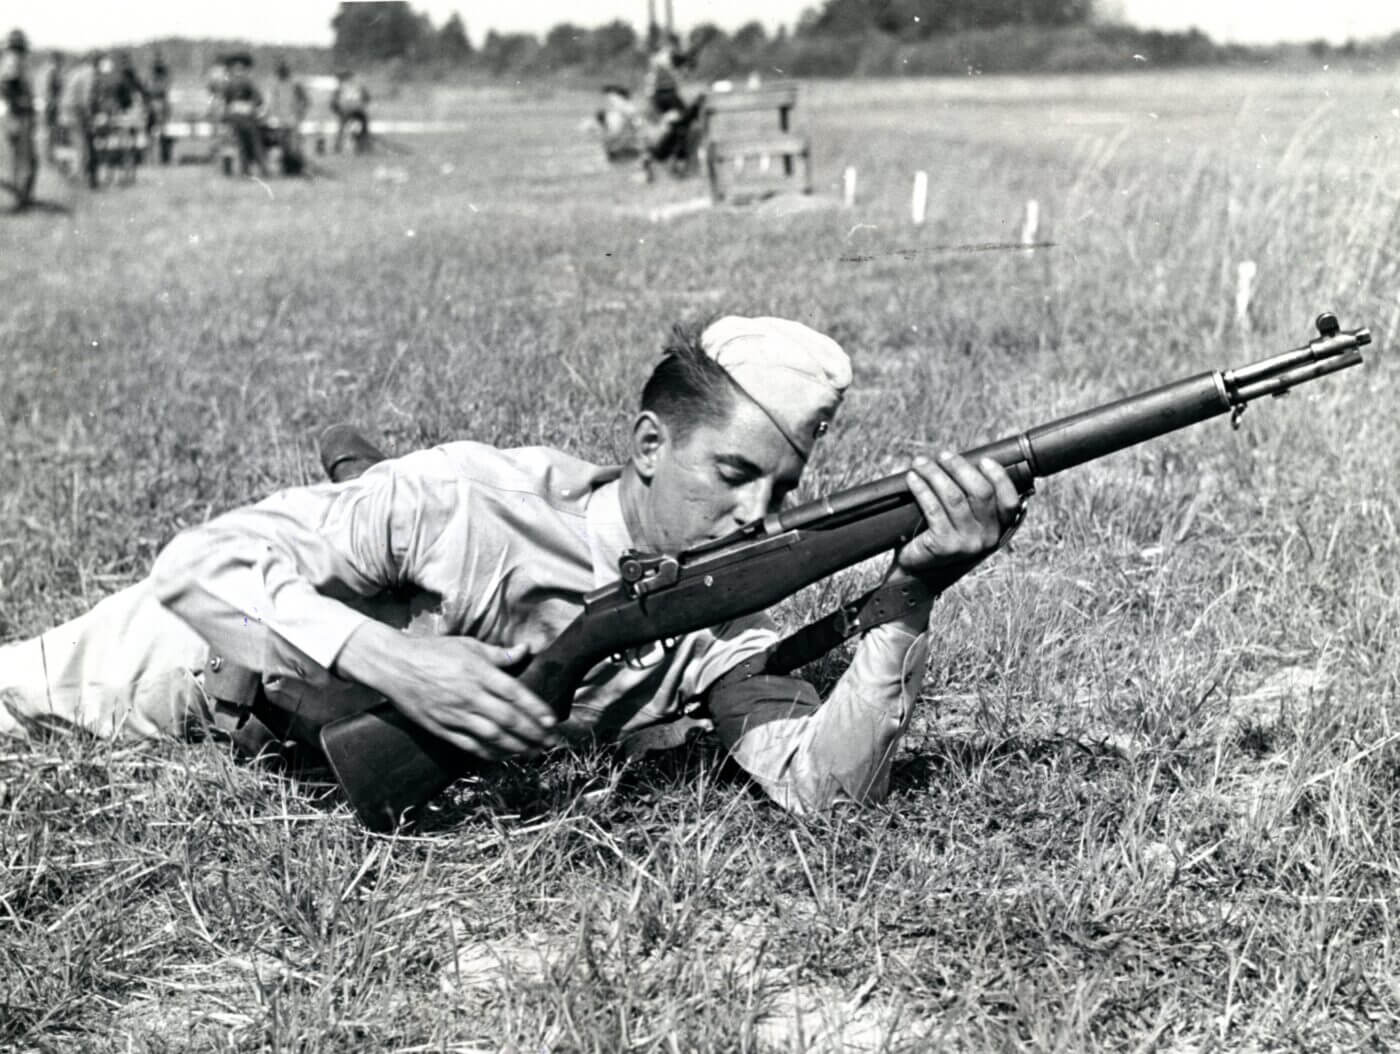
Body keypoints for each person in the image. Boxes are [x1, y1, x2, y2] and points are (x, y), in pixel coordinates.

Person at [0, 317, 1026, 816]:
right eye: (730, 472)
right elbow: (196, 566)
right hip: (171, 670)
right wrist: (392, 660)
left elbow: (825, 796)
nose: (755, 512)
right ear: (647, 443)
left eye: (782, 485)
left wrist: (910, 591)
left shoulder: (719, 616)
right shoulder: (470, 499)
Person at [1, 27, 38, 209]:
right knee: (23, 159)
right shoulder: (13, 60)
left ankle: (19, 197)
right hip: (17, 116)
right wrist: (21, 103)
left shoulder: (9, 59)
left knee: (18, 160)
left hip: (14, 115)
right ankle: (19, 198)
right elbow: (7, 85)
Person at [220, 52, 267, 178]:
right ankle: (246, 170)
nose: (238, 71)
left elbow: (258, 99)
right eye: (236, 68)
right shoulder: (230, 84)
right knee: (243, 145)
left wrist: (250, 107)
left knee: (253, 144)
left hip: (247, 118)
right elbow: (226, 101)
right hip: (238, 119)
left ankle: (261, 169)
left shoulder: (248, 83)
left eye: (240, 68)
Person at [59, 50, 99, 188]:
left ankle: (77, 175)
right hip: (75, 112)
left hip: (67, 111)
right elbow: (86, 98)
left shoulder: (77, 71)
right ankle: (79, 177)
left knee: (78, 145)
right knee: (82, 146)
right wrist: (89, 118)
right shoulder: (90, 73)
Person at [266, 59, 309, 174]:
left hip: (292, 120)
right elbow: (272, 103)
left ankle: (298, 169)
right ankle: (287, 169)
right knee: (283, 146)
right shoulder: (276, 85)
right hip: (281, 121)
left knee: (294, 146)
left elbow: (305, 101)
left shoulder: (295, 84)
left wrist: (300, 114)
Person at [330, 69, 370, 154]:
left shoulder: (341, 86)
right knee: (363, 129)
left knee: (341, 129)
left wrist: (337, 110)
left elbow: (334, 102)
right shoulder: (359, 86)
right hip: (359, 111)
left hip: (346, 112)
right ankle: (363, 147)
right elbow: (367, 98)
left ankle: (338, 147)